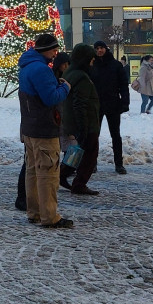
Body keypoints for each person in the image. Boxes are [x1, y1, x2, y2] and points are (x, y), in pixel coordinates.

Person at [18, 33, 73, 228]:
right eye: (53, 49)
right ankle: (49, 216)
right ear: (45, 50)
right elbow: (50, 98)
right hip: (44, 128)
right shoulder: (41, 69)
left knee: (32, 171)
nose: (55, 53)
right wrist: (65, 88)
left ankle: (34, 212)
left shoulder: (26, 67)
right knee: (48, 173)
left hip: (30, 128)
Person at [60, 43, 101, 196]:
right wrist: (83, 127)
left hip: (72, 121)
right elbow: (80, 104)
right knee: (89, 155)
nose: (92, 62)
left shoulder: (69, 73)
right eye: (91, 59)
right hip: (87, 124)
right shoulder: (82, 77)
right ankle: (79, 184)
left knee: (77, 152)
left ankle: (62, 175)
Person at [90, 40, 130, 175]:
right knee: (94, 135)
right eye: (97, 48)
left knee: (116, 135)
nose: (99, 51)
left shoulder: (116, 65)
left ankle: (119, 164)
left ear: (106, 49)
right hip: (96, 104)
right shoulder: (92, 65)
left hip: (113, 103)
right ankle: (92, 163)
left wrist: (125, 102)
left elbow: (124, 85)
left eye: (101, 48)